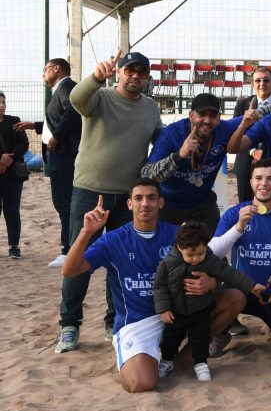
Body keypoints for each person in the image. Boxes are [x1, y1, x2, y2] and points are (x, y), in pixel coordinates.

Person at [60, 179, 245, 392]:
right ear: (130, 204)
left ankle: (184, 359)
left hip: (177, 314)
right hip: (137, 323)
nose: (145, 203)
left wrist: (211, 283)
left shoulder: (178, 234)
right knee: (141, 383)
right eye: (138, 198)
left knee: (234, 298)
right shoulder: (113, 240)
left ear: (161, 203)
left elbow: (219, 265)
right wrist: (86, 232)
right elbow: (70, 271)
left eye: (151, 198)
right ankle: (140, 357)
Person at [56, 50, 163, 353]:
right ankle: (69, 324)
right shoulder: (100, 97)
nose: (135, 76)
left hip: (129, 197)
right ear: (119, 72)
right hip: (91, 191)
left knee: (120, 263)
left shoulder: (151, 108)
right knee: (80, 259)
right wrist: (94, 77)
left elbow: (162, 141)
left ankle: (112, 320)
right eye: (130, 70)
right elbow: (77, 100)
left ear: (147, 77)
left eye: (141, 72)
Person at [208, 156, 271, 362]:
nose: (264, 183)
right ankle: (221, 333)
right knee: (210, 287)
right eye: (259, 178)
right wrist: (238, 228)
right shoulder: (235, 214)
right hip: (239, 292)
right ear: (251, 182)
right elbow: (212, 253)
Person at [142, 93, 271, 232]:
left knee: (213, 248)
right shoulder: (172, 134)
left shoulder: (224, 129)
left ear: (219, 118)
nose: (207, 121)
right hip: (168, 203)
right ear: (191, 115)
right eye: (202, 114)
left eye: (212, 116)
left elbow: (257, 114)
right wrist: (179, 156)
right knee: (162, 249)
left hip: (202, 202)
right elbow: (147, 175)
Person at [154, 221, 265, 382]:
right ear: (179, 247)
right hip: (176, 311)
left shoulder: (209, 260)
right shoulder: (167, 264)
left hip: (201, 309)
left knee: (200, 338)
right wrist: (163, 309)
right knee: (171, 338)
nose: (196, 259)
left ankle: (201, 364)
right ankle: (166, 361)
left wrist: (252, 285)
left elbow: (230, 273)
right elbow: (160, 287)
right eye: (190, 255)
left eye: (200, 253)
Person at [13, 58, 81, 267]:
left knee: (64, 202)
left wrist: (56, 137)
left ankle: (69, 250)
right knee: (64, 202)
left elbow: (72, 113)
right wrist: (34, 125)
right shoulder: (61, 90)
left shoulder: (67, 87)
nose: (42, 74)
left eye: (44, 70)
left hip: (64, 154)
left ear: (56, 69)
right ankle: (70, 247)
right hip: (60, 154)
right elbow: (59, 118)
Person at [232, 66, 271, 203]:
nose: (262, 84)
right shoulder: (242, 104)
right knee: (245, 205)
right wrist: (252, 151)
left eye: (266, 80)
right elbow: (235, 134)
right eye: (258, 80)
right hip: (245, 164)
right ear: (252, 84)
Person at [0, 91, 30, 258]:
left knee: (12, 210)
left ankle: (14, 247)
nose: (2, 105)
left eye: (4, 102)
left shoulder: (14, 121)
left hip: (12, 175)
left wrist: (7, 160)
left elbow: (23, 144)